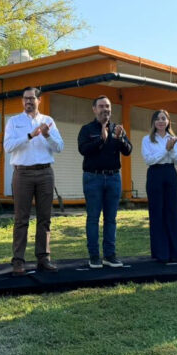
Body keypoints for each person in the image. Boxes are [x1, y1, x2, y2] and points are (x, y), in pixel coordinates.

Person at [4, 87, 64, 276]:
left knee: (44, 218)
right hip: (22, 174)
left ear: (39, 100)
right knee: (21, 219)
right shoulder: (14, 121)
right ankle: (18, 261)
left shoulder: (48, 121)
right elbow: (8, 146)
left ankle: (43, 258)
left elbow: (59, 147)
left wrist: (47, 134)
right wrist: (30, 135)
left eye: (32, 98)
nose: (28, 102)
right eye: (25, 99)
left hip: (45, 173)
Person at [78, 95, 132, 269]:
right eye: (101, 106)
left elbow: (128, 151)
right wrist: (101, 139)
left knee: (111, 219)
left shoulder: (117, 129)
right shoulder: (87, 129)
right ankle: (94, 256)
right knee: (93, 218)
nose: (105, 109)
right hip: (93, 178)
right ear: (94, 109)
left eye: (108, 106)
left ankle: (110, 255)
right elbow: (83, 149)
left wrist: (121, 139)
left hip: (113, 178)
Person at [141, 109, 177, 264]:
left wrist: (171, 149)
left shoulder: (175, 139)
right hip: (155, 174)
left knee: (172, 211)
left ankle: (176, 252)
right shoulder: (147, 139)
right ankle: (161, 253)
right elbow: (149, 160)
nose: (160, 121)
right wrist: (165, 149)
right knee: (156, 212)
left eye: (163, 118)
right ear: (153, 122)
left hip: (170, 173)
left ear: (168, 121)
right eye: (158, 119)